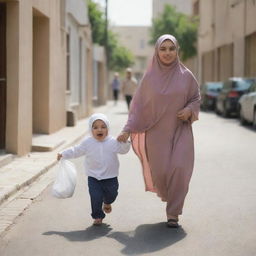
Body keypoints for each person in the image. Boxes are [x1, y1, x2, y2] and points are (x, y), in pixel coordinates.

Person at [117, 34, 200, 228]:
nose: (168, 53)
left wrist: (189, 110)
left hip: (181, 131)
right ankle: (169, 197)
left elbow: (196, 98)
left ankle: (173, 213)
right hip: (156, 134)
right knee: (161, 172)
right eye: (163, 49)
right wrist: (127, 130)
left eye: (171, 48)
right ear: (156, 51)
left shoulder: (186, 75)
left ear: (177, 50)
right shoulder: (149, 78)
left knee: (180, 168)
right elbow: (138, 107)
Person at [57, 113, 130, 226]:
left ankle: (107, 202)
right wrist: (63, 153)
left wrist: (125, 142)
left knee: (112, 195)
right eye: (95, 127)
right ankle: (97, 216)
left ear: (108, 129)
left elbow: (123, 150)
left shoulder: (113, 141)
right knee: (95, 197)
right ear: (91, 130)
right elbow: (76, 150)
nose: (99, 129)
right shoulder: (88, 142)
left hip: (110, 177)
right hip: (94, 177)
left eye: (103, 126)